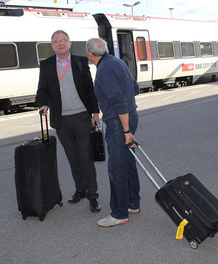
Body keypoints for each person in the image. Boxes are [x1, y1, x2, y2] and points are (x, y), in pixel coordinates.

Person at [36, 30, 101, 213]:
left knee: (85, 158)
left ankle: (93, 196)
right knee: (73, 158)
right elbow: (42, 89)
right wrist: (43, 104)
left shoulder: (80, 62)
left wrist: (95, 111)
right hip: (61, 119)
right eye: (56, 41)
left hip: (81, 116)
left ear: (70, 43)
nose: (60, 43)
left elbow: (89, 88)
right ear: (52, 46)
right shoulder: (47, 65)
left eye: (63, 40)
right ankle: (80, 190)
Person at [85, 38, 140, 227]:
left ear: (90, 54)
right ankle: (133, 204)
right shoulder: (117, 62)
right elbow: (135, 88)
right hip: (131, 116)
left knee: (116, 168)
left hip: (119, 123)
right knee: (129, 163)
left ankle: (119, 213)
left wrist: (126, 131)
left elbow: (118, 100)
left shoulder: (104, 70)